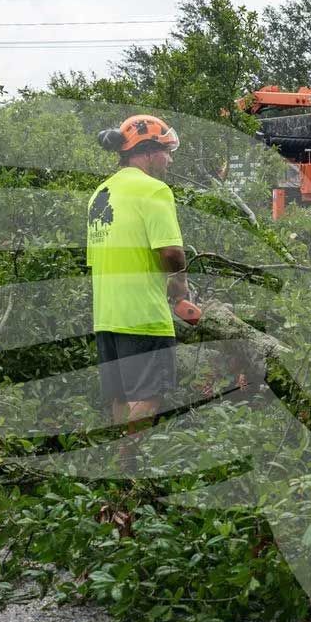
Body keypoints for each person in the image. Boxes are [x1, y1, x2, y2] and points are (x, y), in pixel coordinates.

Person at [87, 114, 197, 427]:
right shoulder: (153, 190)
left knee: (120, 396)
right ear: (147, 152)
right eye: (167, 151)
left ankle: (119, 473)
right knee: (151, 395)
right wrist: (180, 290)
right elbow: (172, 254)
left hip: (107, 314)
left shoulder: (100, 194)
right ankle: (127, 462)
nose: (170, 160)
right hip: (143, 315)